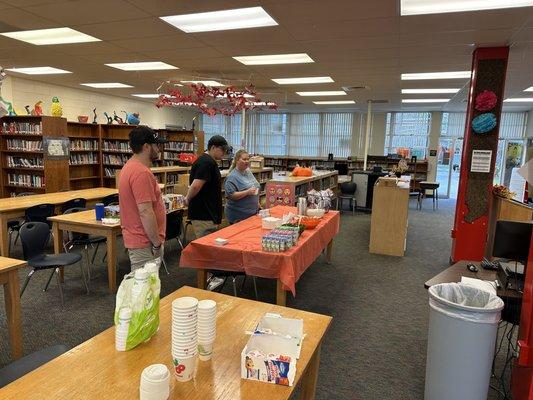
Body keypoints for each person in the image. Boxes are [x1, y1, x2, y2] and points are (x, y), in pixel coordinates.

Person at [118, 126, 167, 271]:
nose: (158, 149)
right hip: (145, 242)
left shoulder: (130, 167)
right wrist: (156, 243)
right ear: (146, 146)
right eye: (156, 145)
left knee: (145, 287)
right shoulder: (141, 173)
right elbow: (145, 211)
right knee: (146, 289)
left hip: (141, 239)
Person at [185, 135, 228, 238]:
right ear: (213, 147)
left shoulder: (208, 161)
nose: (224, 153)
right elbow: (196, 185)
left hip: (208, 214)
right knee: (205, 248)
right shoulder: (206, 162)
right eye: (222, 150)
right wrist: (187, 198)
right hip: (204, 214)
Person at [224, 149, 260, 224]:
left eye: (248, 159)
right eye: (244, 159)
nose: (247, 161)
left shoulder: (248, 172)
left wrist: (257, 203)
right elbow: (231, 195)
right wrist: (247, 192)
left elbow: (255, 185)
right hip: (238, 217)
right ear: (237, 160)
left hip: (252, 214)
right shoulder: (232, 177)